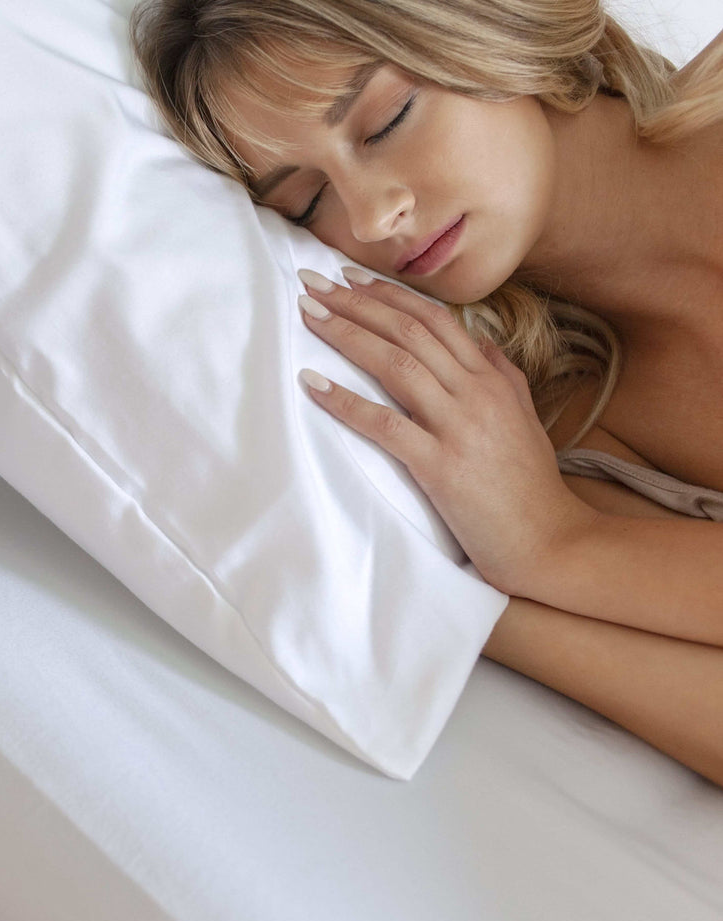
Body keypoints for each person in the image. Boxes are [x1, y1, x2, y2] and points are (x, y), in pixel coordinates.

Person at [130, 0, 723, 785]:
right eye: (307, 203)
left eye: (385, 121)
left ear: (491, 23)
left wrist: (560, 547)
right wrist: (495, 587)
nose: (374, 217)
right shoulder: (565, 441)